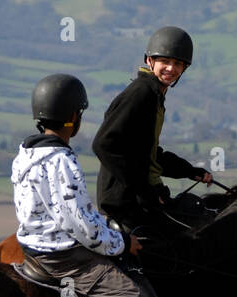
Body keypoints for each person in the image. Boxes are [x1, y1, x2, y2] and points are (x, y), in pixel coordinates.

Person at [12, 73, 155, 297]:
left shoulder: (26, 154)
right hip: (67, 257)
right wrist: (121, 242)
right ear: (73, 118)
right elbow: (82, 227)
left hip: (33, 247)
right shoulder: (62, 160)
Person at [92, 26, 214, 242]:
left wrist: (188, 170)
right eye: (165, 61)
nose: (171, 68)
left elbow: (147, 154)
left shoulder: (155, 95)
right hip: (126, 205)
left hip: (142, 199)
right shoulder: (141, 93)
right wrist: (144, 191)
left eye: (177, 64)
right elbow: (104, 144)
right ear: (150, 61)